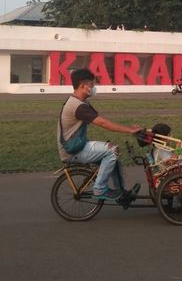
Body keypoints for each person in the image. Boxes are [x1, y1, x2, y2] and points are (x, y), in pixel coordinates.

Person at [57, 68, 142, 201]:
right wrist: (129, 130)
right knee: (112, 150)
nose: (94, 88)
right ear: (82, 86)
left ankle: (121, 194)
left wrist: (130, 128)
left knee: (114, 158)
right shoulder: (78, 106)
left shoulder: (83, 103)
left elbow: (100, 118)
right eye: (91, 85)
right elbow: (103, 123)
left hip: (78, 145)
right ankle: (99, 189)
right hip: (72, 151)